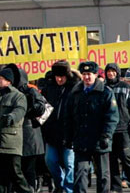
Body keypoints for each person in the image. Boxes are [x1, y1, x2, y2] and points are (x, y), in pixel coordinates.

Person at [65, 61, 119, 193]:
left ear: (95, 75)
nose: (86, 77)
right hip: (81, 140)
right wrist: (68, 136)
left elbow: (112, 117)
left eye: (89, 74)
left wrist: (106, 136)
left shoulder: (105, 92)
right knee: (80, 174)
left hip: (100, 141)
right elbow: (69, 117)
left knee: (103, 175)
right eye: (84, 74)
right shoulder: (75, 93)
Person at [41, 60, 81, 193]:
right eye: (56, 76)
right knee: (50, 161)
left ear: (67, 75)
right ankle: (60, 184)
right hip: (51, 132)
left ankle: (68, 189)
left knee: (70, 163)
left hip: (69, 132)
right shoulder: (49, 88)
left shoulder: (75, 88)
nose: (59, 79)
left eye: (61, 76)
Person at [104, 63, 130, 193]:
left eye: (113, 71)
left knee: (126, 158)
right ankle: (116, 188)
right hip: (108, 131)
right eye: (108, 71)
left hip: (124, 129)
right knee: (111, 160)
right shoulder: (103, 87)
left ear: (118, 72)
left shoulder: (125, 87)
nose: (111, 73)